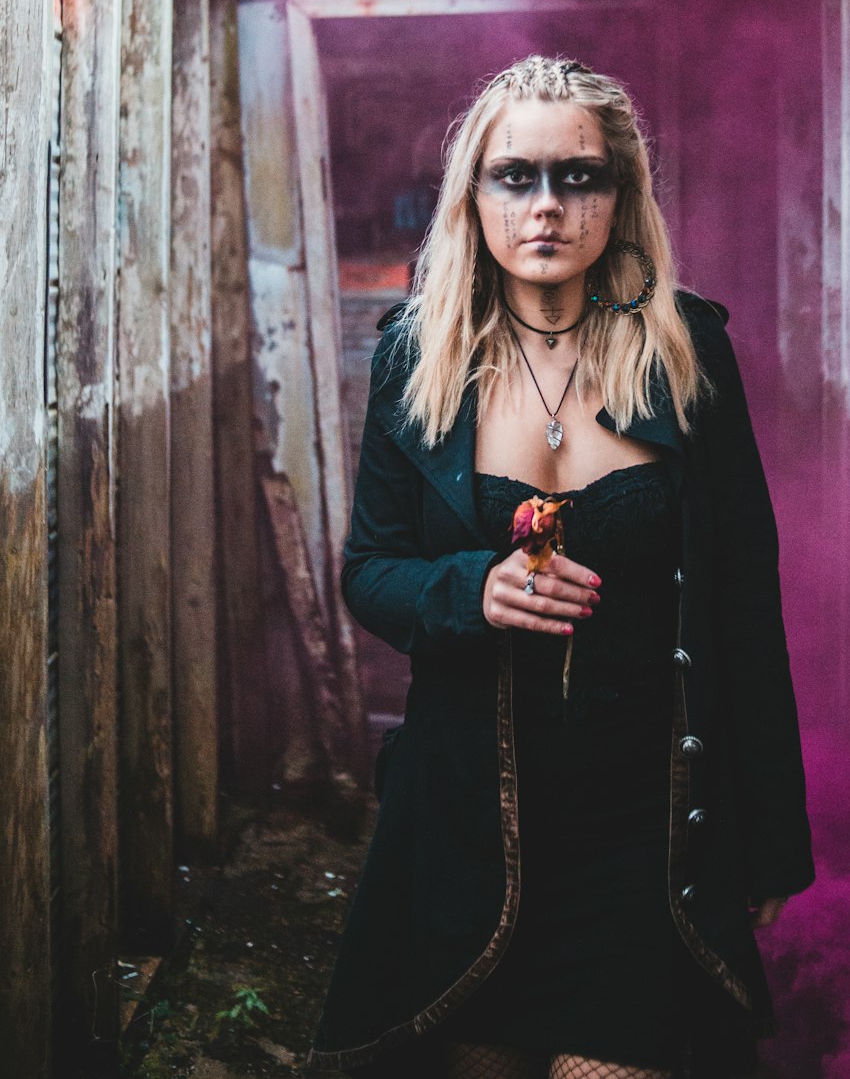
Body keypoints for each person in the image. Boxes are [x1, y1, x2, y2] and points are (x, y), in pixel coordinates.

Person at [305, 55, 814, 1079]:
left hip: (645, 833)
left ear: (620, 195)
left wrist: (769, 833)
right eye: (515, 176)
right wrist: (470, 588)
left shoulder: (688, 354)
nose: (547, 206)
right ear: (475, 193)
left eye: (579, 177)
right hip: (470, 829)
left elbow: (743, 605)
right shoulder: (418, 355)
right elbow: (371, 571)